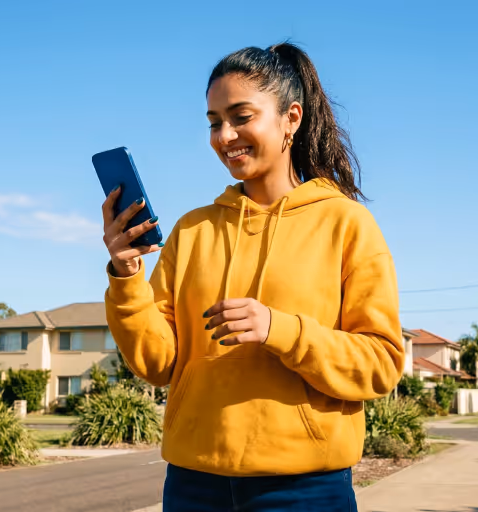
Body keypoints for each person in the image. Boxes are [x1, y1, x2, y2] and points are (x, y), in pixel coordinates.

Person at [101, 43, 404, 512]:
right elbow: (157, 364)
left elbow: (380, 363)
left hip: (304, 489)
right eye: (214, 121)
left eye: (241, 116)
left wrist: (278, 329)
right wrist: (126, 275)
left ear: (291, 118)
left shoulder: (346, 223)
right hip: (192, 485)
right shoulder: (192, 229)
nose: (225, 135)